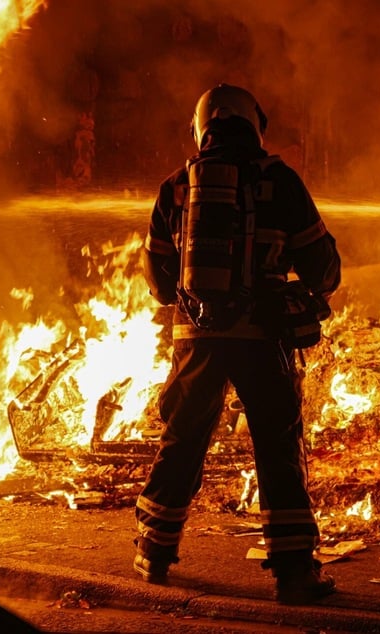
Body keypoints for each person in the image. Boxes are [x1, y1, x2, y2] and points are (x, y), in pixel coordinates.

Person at [134, 83, 341, 606]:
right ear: (254, 124)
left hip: (195, 339)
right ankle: (294, 574)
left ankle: (154, 553)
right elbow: (324, 269)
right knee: (276, 447)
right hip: (261, 336)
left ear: (202, 127)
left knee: (183, 439)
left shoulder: (175, 188)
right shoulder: (279, 182)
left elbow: (159, 287)